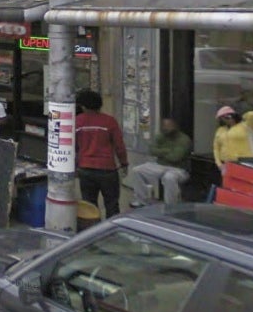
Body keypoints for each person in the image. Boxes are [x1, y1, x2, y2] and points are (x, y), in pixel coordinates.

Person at [75, 89, 128, 219]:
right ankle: (112, 231)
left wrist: (76, 165)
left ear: (82, 106)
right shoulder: (109, 121)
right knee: (112, 204)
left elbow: (73, 146)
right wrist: (124, 163)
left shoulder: (77, 121)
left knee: (89, 206)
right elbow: (119, 146)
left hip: (85, 168)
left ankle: (93, 231)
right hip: (107, 170)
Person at [129, 117, 192, 206]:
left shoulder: (184, 139)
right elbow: (151, 150)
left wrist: (160, 152)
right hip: (160, 165)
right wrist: (167, 150)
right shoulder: (161, 136)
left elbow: (175, 157)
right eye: (164, 125)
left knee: (169, 177)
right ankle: (142, 201)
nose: (166, 128)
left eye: (169, 125)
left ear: (175, 126)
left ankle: (171, 206)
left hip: (179, 169)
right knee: (137, 170)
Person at [213, 105, 253, 170]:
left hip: (247, 162)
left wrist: (239, 116)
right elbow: (216, 148)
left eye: (226, 118)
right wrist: (219, 164)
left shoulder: (247, 126)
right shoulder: (220, 130)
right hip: (227, 163)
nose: (225, 120)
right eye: (222, 119)